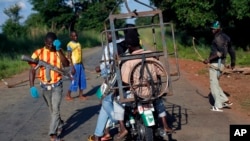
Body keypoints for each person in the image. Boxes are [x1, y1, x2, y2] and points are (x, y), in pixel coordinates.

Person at [120, 30, 173, 134]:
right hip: (152, 91)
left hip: (137, 94)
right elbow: (161, 72)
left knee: (116, 101)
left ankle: (122, 128)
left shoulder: (128, 60)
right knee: (159, 100)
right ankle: (165, 124)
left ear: (129, 46)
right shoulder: (151, 55)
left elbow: (125, 82)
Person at [28, 32, 70, 141]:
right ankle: (60, 124)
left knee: (55, 110)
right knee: (52, 110)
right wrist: (32, 86)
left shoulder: (57, 52)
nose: (50, 45)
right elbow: (32, 70)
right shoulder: (39, 52)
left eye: (52, 43)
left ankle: (53, 135)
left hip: (57, 86)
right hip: (45, 87)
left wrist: (59, 49)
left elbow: (66, 64)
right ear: (44, 42)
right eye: (48, 43)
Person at [88, 31, 127, 141]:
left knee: (105, 100)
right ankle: (99, 134)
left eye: (108, 34)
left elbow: (105, 66)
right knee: (105, 104)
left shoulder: (110, 47)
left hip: (115, 79)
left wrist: (100, 69)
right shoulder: (125, 44)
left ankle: (115, 121)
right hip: (126, 80)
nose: (107, 36)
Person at [203, 21, 236, 112]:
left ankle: (218, 106)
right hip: (221, 64)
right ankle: (225, 100)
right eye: (212, 28)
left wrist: (208, 60)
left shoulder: (218, 38)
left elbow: (220, 53)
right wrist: (233, 62)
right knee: (216, 83)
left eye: (214, 29)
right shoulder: (226, 37)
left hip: (216, 64)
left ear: (219, 29)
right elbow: (232, 51)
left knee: (213, 85)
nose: (212, 30)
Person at [65, 30, 87, 101]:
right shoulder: (70, 45)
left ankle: (81, 95)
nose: (75, 37)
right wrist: (72, 67)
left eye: (76, 35)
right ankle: (68, 94)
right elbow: (69, 56)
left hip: (80, 64)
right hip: (74, 65)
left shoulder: (79, 44)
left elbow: (80, 55)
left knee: (82, 80)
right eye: (74, 36)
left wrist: (82, 64)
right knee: (74, 80)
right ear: (70, 37)